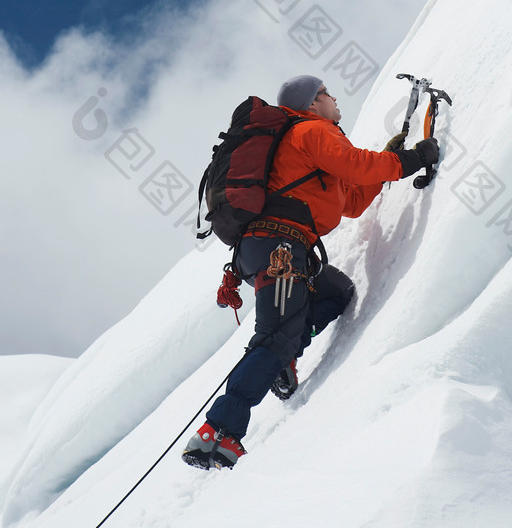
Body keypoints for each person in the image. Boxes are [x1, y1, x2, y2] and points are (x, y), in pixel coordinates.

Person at [182, 74, 438, 470]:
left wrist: (390, 163)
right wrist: (411, 160)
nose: (336, 100)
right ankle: (219, 431)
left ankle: (283, 361)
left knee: (335, 292)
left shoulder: (300, 145)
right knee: (273, 336)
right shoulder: (312, 130)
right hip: (280, 249)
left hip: (265, 252)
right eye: (328, 94)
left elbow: (350, 201)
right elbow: (355, 163)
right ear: (312, 102)